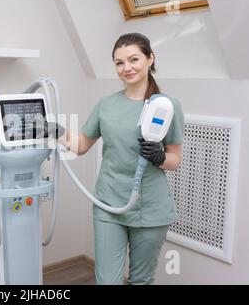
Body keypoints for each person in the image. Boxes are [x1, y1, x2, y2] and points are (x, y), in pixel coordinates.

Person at [52, 33, 185, 285]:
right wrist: (55, 130)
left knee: (141, 280)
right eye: (119, 62)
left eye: (134, 59)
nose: (127, 68)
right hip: (108, 204)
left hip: (151, 208)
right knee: (107, 281)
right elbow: (80, 146)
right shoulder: (106, 105)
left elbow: (175, 159)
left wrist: (159, 157)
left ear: (150, 58)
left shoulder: (167, 106)